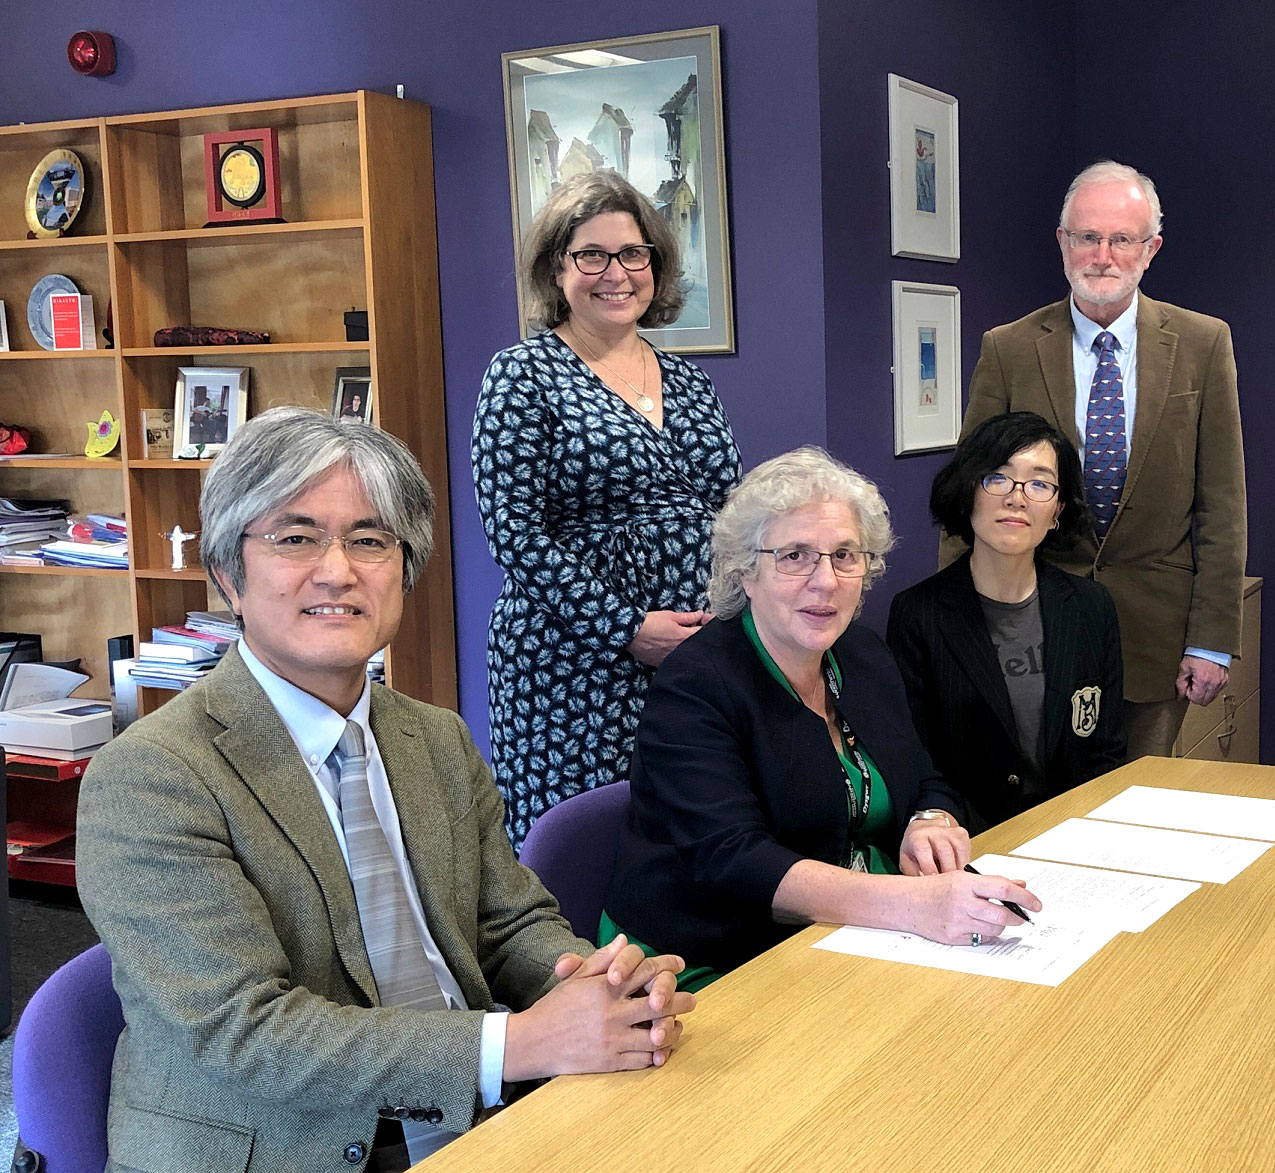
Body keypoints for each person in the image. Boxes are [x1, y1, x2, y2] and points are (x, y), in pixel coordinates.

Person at [76, 408, 695, 1173]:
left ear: (404, 570)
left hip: (471, 1115)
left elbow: (508, 924)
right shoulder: (151, 776)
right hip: (276, 1147)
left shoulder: (434, 738)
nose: (337, 570)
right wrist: (524, 1041)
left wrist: (598, 986)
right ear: (230, 575)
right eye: (295, 536)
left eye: (370, 539)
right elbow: (241, 1032)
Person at [602, 448, 1040, 989]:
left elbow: (923, 777)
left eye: (844, 555)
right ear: (745, 572)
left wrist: (930, 819)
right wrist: (914, 904)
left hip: (845, 934)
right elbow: (735, 863)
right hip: (707, 959)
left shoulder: (862, 655)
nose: (825, 580)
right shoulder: (694, 686)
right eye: (794, 556)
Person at [473, 170, 741, 846]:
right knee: (585, 851)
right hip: (574, 662)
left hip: (689, 653)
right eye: (590, 255)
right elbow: (515, 535)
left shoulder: (689, 379)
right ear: (556, 270)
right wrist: (626, 627)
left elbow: (729, 511)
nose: (615, 272)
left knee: (688, 835)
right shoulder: (522, 375)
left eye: (632, 253)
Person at [957, 159, 1246, 759]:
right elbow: (970, 496)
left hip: (1154, 637)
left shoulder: (1203, 344)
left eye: (1122, 239)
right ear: (1063, 243)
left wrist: (1213, 639)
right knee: (1031, 803)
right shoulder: (1009, 349)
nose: (1103, 256)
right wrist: (960, 623)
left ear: (1151, 248)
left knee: (1138, 806)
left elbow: (1222, 504)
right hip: (1028, 622)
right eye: (1087, 237)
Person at [888, 412, 1125, 833]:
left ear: (1056, 511)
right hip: (970, 843)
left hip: (1075, 835)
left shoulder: (1091, 607)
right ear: (968, 493)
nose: (1017, 497)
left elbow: (1105, 753)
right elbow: (919, 764)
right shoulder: (918, 614)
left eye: (1039, 483)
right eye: (998, 478)